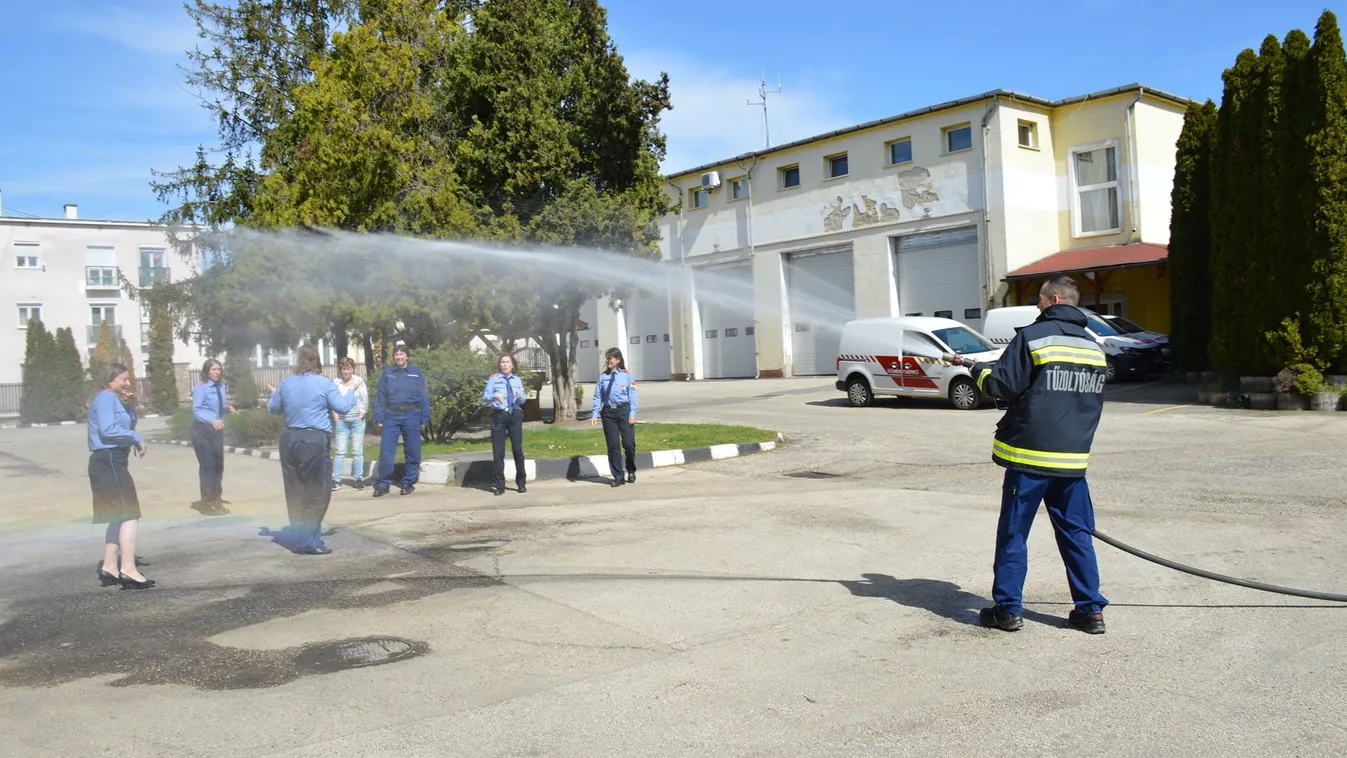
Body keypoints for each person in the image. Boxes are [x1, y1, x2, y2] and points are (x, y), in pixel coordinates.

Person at [954, 275, 1110, 635]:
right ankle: (1091, 612)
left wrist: (979, 371)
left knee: (1013, 533)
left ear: (1052, 299)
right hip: (1072, 462)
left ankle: (1008, 610)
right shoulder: (1092, 346)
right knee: (1077, 535)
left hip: (1030, 458)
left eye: (1040, 300)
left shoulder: (1033, 337)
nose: (1038, 306)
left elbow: (1002, 385)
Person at [266, 344, 355, 555]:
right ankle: (309, 542)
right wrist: (351, 390)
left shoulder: (287, 382)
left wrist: (276, 394)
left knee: (295, 491)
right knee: (318, 492)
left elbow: (273, 408)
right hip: (313, 440)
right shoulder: (323, 383)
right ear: (317, 361)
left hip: (289, 439)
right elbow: (342, 407)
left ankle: (300, 538)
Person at [89, 362, 154, 590]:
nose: (128, 383)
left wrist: (132, 407)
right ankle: (128, 569)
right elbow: (108, 430)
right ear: (111, 379)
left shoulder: (111, 398)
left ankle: (109, 566)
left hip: (110, 459)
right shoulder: (106, 398)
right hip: (109, 459)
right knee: (129, 514)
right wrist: (136, 438)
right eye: (124, 379)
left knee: (118, 514)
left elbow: (125, 425)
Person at [372, 345, 430, 497]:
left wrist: (424, 417)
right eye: (396, 354)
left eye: (402, 354)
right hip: (391, 415)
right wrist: (378, 416)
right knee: (386, 450)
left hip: (411, 414)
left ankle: (408, 482)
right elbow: (380, 396)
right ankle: (383, 484)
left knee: (412, 450)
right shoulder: (388, 373)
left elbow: (423, 395)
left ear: (407, 356)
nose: (399, 357)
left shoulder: (416, 373)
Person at [190, 358, 234, 516]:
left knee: (218, 466)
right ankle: (207, 503)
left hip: (216, 430)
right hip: (202, 431)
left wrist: (227, 409)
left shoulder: (221, 386)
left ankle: (216, 500)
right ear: (207, 371)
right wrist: (211, 420)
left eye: (219, 369)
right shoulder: (201, 387)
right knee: (208, 466)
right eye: (213, 369)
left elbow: (218, 407)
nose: (217, 372)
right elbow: (197, 410)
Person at [590, 347, 639, 487]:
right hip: (608, 414)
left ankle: (631, 469)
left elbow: (633, 395)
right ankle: (618, 476)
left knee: (629, 444)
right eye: (607, 358)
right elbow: (598, 396)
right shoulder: (602, 377)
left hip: (624, 411)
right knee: (613, 446)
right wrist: (595, 413)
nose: (608, 361)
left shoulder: (627, 376)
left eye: (610, 358)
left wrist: (632, 413)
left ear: (618, 360)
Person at [483, 353, 528, 496]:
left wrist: (520, 396)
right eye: (502, 362)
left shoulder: (517, 380)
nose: (505, 364)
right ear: (500, 365)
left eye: (508, 362)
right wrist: (494, 396)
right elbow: (485, 397)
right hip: (499, 416)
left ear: (512, 365)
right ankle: (499, 485)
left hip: (515, 415)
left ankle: (521, 482)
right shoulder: (493, 379)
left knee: (517, 450)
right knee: (498, 452)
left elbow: (523, 399)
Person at [331, 357, 369, 491]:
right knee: (340, 451)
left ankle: (358, 479)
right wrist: (336, 416)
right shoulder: (336, 382)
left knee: (357, 451)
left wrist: (362, 414)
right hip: (342, 421)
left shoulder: (359, 381)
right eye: (344, 369)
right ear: (340, 370)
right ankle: (336, 480)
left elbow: (365, 398)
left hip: (357, 421)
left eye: (349, 368)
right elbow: (333, 400)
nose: (346, 371)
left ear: (353, 369)